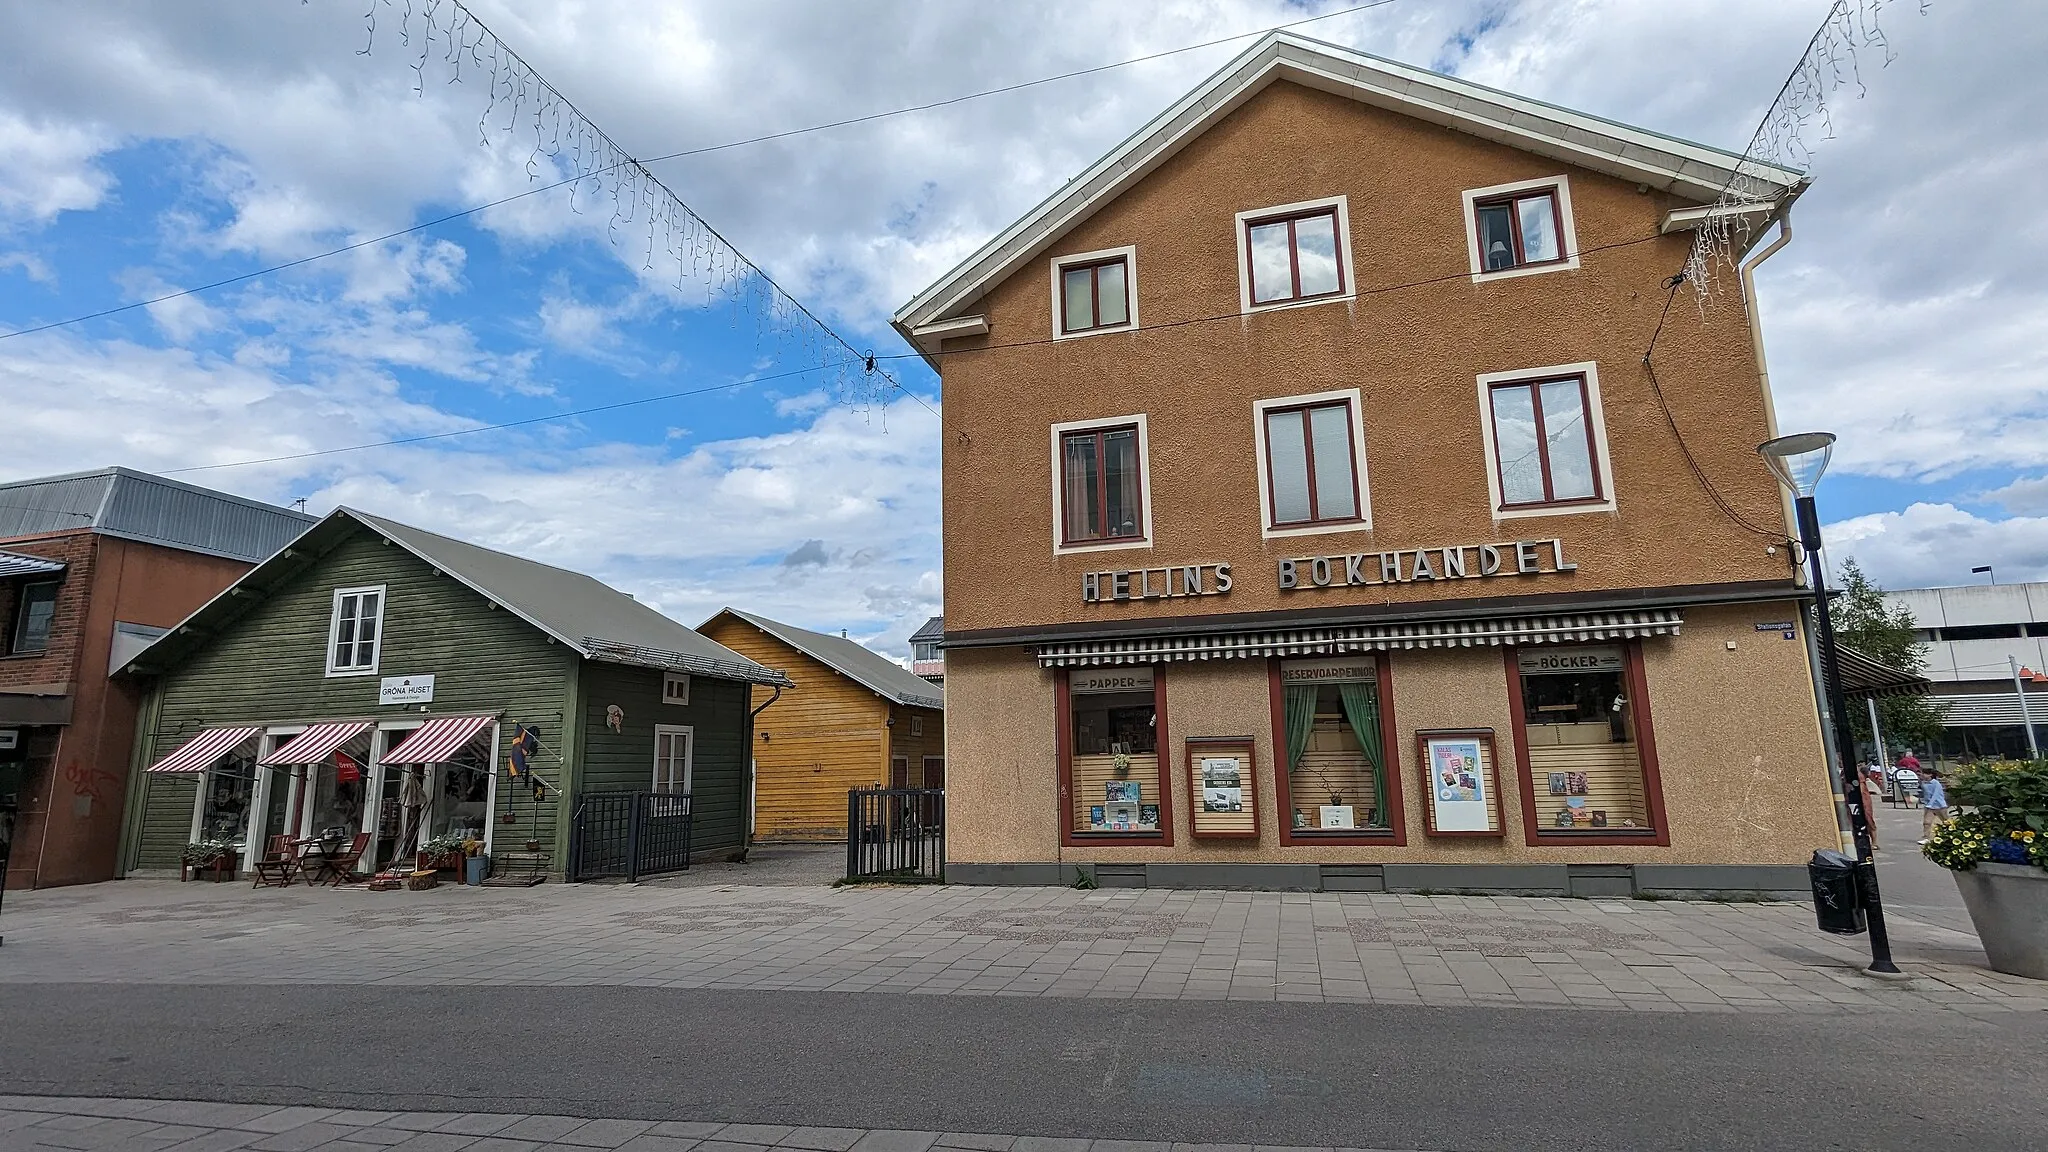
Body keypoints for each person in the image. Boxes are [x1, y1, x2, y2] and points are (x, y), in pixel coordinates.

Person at [1917, 766, 1950, 845]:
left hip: (1939, 805)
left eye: (1925, 773)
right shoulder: (1923, 783)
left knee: (1946, 821)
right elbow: (1924, 794)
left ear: (1930, 775)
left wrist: (1930, 804)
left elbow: (1936, 794)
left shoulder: (1936, 783)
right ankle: (1926, 837)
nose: (1923, 775)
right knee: (1926, 822)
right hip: (1929, 806)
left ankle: (1950, 834)